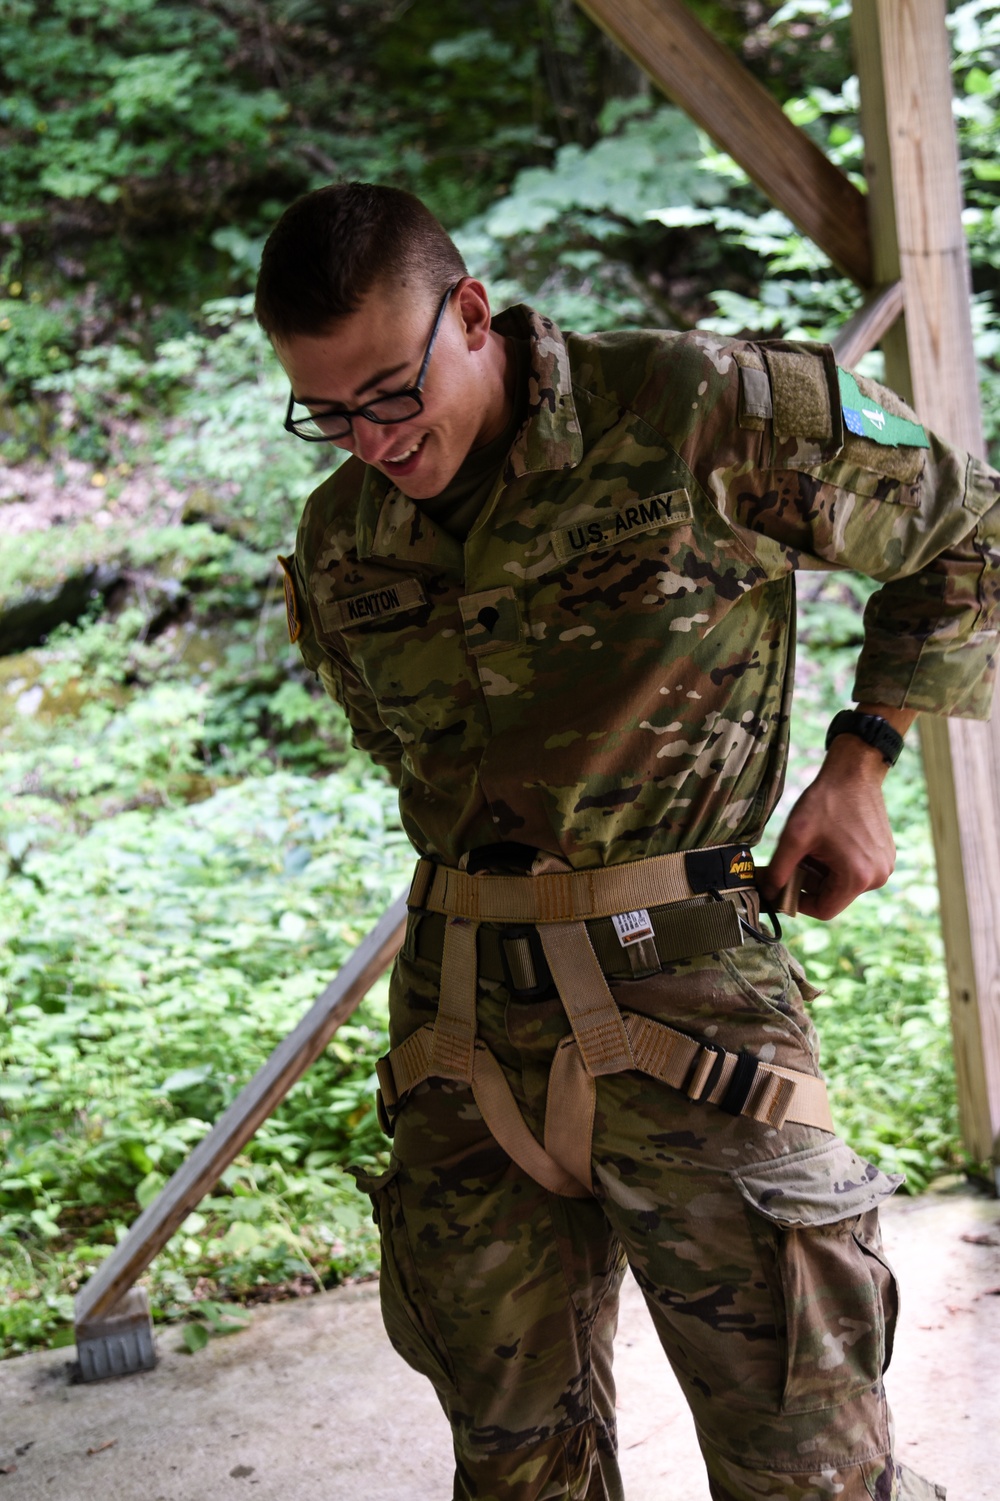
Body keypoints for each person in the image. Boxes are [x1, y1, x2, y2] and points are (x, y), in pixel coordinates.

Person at [254, 181, 998, 1501]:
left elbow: (969, 531)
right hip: (461, 1027)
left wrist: (862, 757)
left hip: (692, 1001)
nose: (368, 439)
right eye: (328, 411)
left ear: (471, 314)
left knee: (809, 1465)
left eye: (387, 390)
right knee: (516, 1470)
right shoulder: (342, 537)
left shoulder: (693, 410)